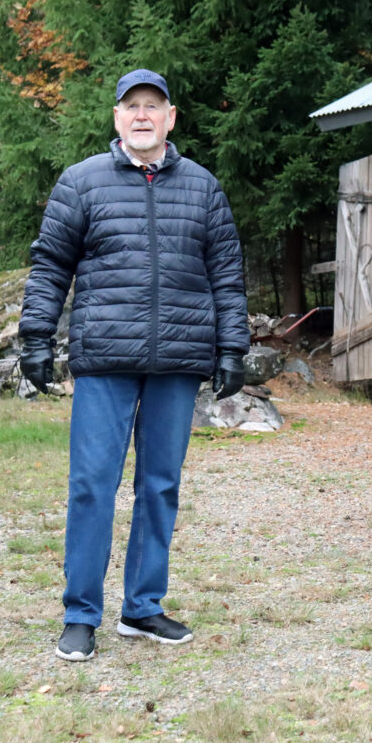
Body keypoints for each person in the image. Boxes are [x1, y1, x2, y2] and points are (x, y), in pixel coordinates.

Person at [18, 68, 249, 662]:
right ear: (117, 118)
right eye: (132, 107)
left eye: (154, 106)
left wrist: (231, 347)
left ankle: (143, 609)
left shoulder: (203, 188)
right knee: (93, 485)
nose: (142, 115)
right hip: (104, 357)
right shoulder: (82, 183)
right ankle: (80, 614)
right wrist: (36, 338)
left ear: (171, 118)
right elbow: (50, 267)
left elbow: (226, 274)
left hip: (178, 358)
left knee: (160, 486)